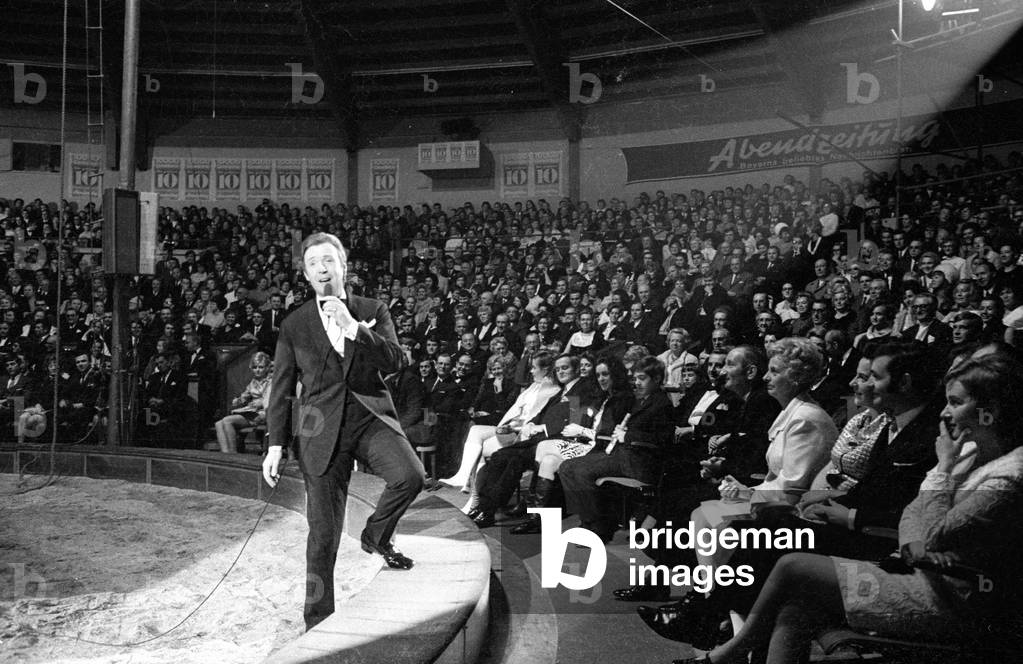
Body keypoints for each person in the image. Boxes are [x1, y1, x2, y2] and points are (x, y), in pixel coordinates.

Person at [671, 354, 1023, 664]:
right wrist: (922, 523)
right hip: (918, 568)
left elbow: (926, 534)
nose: (944, 412)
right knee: (796, 599)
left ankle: (722, 641)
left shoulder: (1008, 473)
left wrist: (940, 475)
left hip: (951, 596)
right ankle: (725, 646)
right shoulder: (966, 455)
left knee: (791, 563)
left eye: (955, 402)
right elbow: (915, 516)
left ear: (989, 411)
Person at [263, 233, 425, 632]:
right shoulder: (294, 324)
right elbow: (282, 388)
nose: (322, 268)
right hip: (320, 429)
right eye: (314, 262)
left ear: (343, 268)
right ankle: (317, 622)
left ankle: (375, 536)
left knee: (411, 477)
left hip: (371, 418)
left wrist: (355, 329)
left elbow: (397, 361)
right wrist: (276, 444)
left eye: (329, 261)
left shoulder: (373, 309)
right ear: (306, 273)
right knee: (323, 536)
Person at [559, 356, 676, 543]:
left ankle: (600, 527)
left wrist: (627, 436)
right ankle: (588, 520)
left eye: (642, 378)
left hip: (640, 462)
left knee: (580, 470)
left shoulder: (662, 404)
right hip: (625, 455)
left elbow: (663, 440)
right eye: (635, 378)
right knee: (566, 467)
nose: (637, 383)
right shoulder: (642, 400)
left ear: (656, 379)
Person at [215, 351, 272, 453]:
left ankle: (232, 454)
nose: (257, 370)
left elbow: (271, 399)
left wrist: (260, 402)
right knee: (219, 423)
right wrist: (239, 400)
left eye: (261, 367)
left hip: (264, 412)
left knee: (228, 421)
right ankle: (225, 454)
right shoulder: (253, 382)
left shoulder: (271, 381)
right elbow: (245, 395)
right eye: (255, 367)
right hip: (251, 411)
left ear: (267, 367)